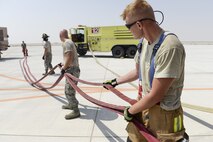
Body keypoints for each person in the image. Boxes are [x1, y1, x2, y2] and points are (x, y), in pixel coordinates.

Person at [104, 0, 188, 141]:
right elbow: (138, 72)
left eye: (128, 26)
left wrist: (130, 111)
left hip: (164, 117)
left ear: (139, 25)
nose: (128, 31)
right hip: (143, 106)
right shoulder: (143, 43)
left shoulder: (169, 47)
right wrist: (115, 81)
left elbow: (156, 95)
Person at [59, 29, 81, 120]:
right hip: (71, 69)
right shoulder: (70, 42)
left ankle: (76, 110)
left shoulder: (67, 43)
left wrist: (64, 68)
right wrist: (64, 64)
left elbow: (69, 56)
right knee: (67, 89)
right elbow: (68, 57)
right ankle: (71, 104)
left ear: (60, 36)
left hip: (72, 70)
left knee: (69, 91)